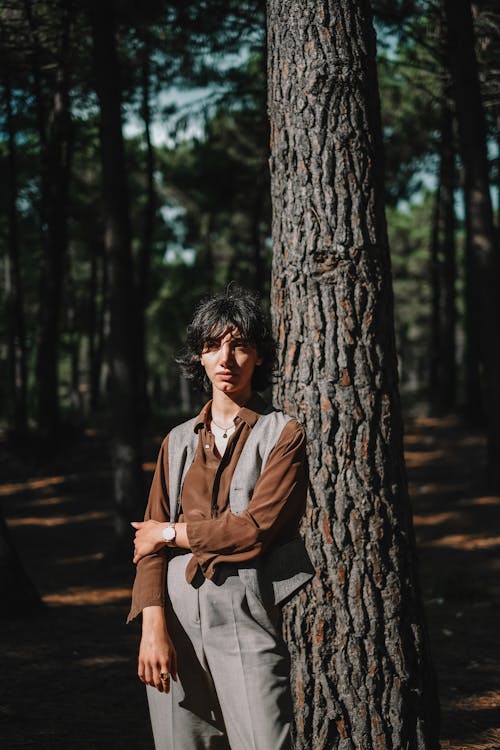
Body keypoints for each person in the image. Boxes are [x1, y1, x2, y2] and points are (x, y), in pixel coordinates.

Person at [128, 287, 313, 750]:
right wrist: (153, 630)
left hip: (244, 610)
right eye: (213, 346)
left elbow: (253, 530)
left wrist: (172, 533)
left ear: (259, 357)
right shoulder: (176, 441)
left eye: (239, 345)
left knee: (265, 740)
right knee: (180, 742)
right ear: (201, 358)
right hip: (173, 615)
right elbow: (146, 548)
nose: (225, 358)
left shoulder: (282, 434)